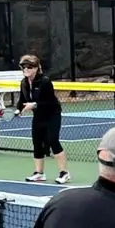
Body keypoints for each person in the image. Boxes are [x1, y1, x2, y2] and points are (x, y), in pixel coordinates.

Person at [17, 54, 71, 185]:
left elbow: (49, 102)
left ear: (36, 68)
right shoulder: (24, 83)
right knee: (37, 143)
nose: (26, 69)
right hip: (39, 116)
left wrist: (34, 105)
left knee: (53, 141)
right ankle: (39, 173)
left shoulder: (45, 81)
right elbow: (22, 100)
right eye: (23, 66)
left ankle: (64, 173)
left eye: (29, 66)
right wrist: (18, 110)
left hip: (52, 114)